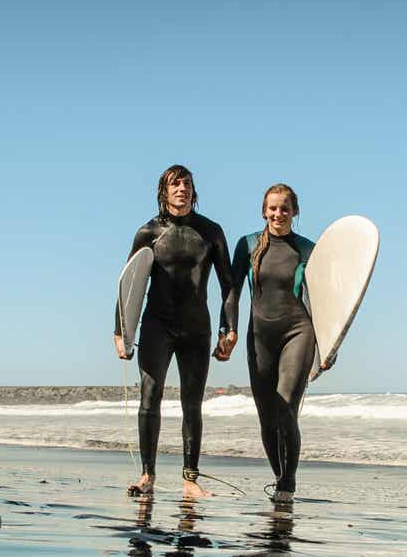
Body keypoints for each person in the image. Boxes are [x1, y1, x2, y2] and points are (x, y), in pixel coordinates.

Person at [114, 164, 238, 500]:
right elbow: (128, 283)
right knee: (149, 399)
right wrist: (120, 331)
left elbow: (229, 285)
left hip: (197, 328)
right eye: (174, 184)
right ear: (163, 191)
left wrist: (230, 329)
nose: (181, 188)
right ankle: (147, 475)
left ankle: (190, 479)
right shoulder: (148, 232)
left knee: (192, 404)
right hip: (157, 324)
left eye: (186, 183)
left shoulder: (211, 231)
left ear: (193, 191)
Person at [226, 183, 323, 503]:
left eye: (284, 208)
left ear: (295, 211)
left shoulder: (308, 250)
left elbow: (324, 302)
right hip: (259, 336)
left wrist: (328, 348)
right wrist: (229, 330)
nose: (278, 213)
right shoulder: (248, 245)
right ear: (263, 211)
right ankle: (278, 477)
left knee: (285, 408)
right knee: (266, 415)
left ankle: (287, 484)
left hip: (298, 331)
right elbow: (233, 291)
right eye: (272, 208)